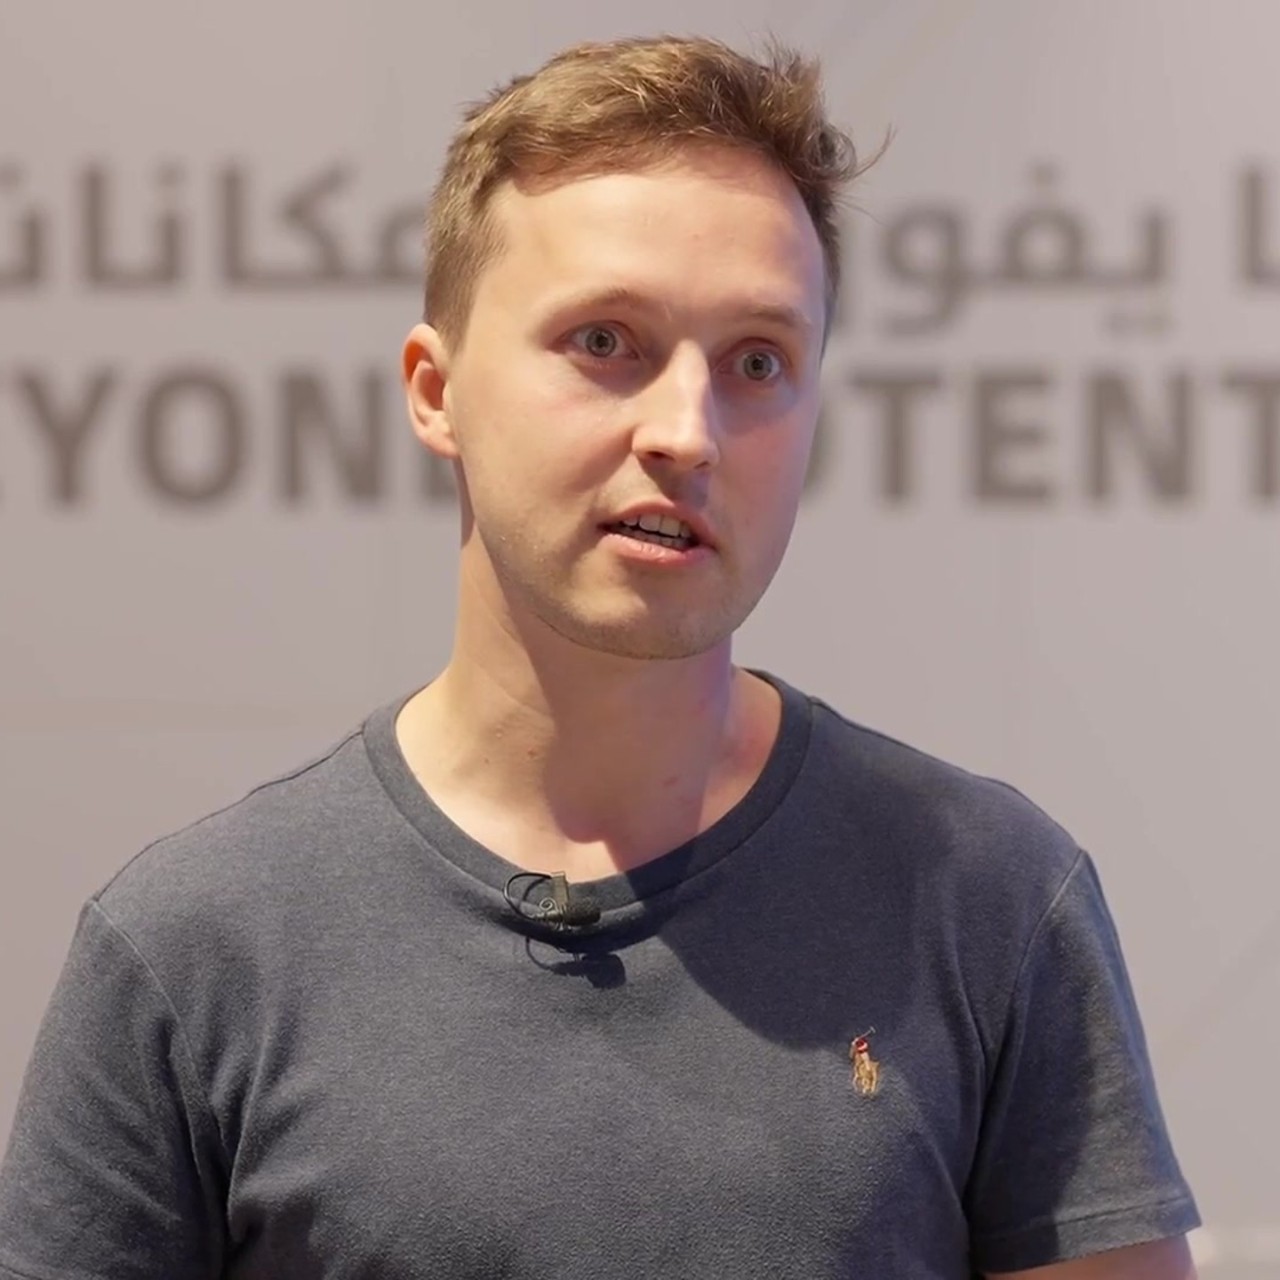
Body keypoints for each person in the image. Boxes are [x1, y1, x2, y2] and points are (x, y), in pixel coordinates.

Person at [0, 34, 1199, 1280]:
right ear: (435, 391)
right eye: (604, 342)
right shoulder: (193, 948)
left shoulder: (985, 897)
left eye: (756, 361)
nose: (685, 431)